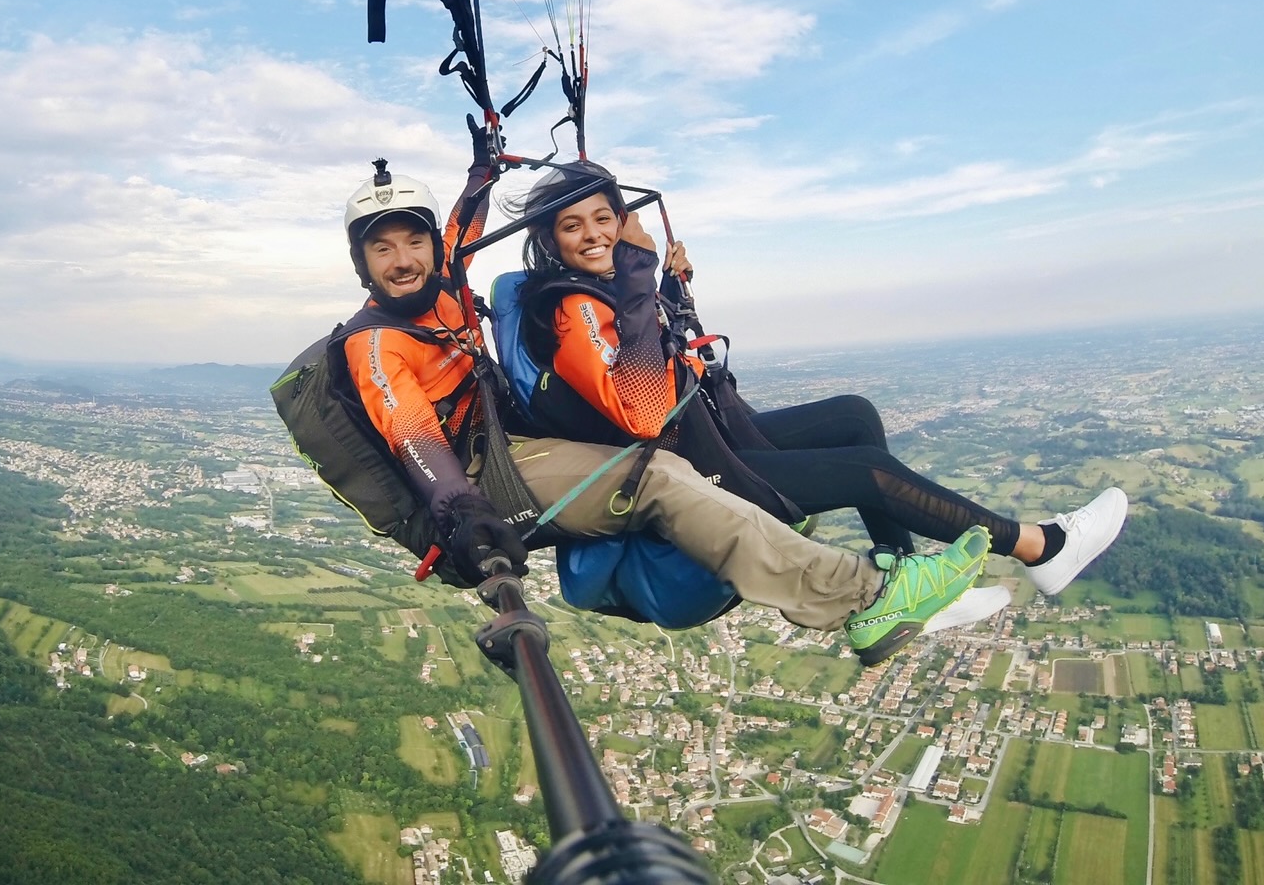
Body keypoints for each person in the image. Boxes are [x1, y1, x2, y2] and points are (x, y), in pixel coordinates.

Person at [326, 138, 1010, 666]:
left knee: (690, 455)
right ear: (363, 266)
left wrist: (483, 174)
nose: (403, 258)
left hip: (519, 444)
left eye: (411, 240)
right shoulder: (377, 346)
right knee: (655, 475)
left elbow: (453, 232)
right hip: (484, 479)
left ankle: (896, 576)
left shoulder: (437, 282)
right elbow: (415, 438)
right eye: (381, 249)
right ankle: (866, 597)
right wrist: (466, 515)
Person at [505, 160, 1128, 598]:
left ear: (620, 219)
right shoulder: (571, 308)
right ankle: (1041, 548)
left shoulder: (609, 292)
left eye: (603, 219)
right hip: (695, 473)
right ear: (549, 240)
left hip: (714, 437)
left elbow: (654, 349)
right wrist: (640, 269)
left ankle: (905, 579)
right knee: (864, 470)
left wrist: (667, 287)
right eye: (572, 225)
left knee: (854, 413)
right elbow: (639, 411)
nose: (593, 235)